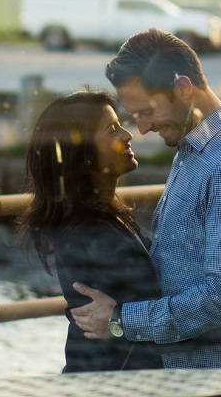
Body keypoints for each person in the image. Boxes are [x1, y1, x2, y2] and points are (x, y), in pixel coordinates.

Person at [71, 28, 221, 368]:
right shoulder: (195, 150)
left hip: (212, 381)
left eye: (147, 111)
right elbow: (199, 267)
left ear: (182, 88)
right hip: (189, 374)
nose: (143, 128)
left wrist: (121, 320)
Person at [18, 89, 164, 373]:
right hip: (109, 386)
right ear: (83, 155)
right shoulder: (90, 232)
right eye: (112, 130)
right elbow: (161, 308)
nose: (127, 135)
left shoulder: (103, 218)